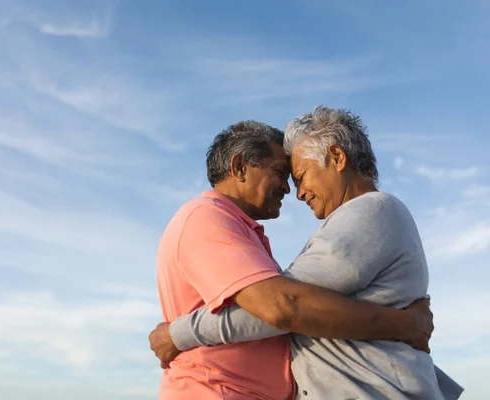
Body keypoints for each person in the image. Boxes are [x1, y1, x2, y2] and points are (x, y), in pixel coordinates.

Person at [151, 108, 464, 399]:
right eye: (284, 174)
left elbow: (288, 306)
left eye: (299, 176)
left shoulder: (370, 212)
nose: (295, 191)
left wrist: (178, 334)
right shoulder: (206, 217)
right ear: (239, 168)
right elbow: (285, 306)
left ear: (337, 157)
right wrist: (403, 325)